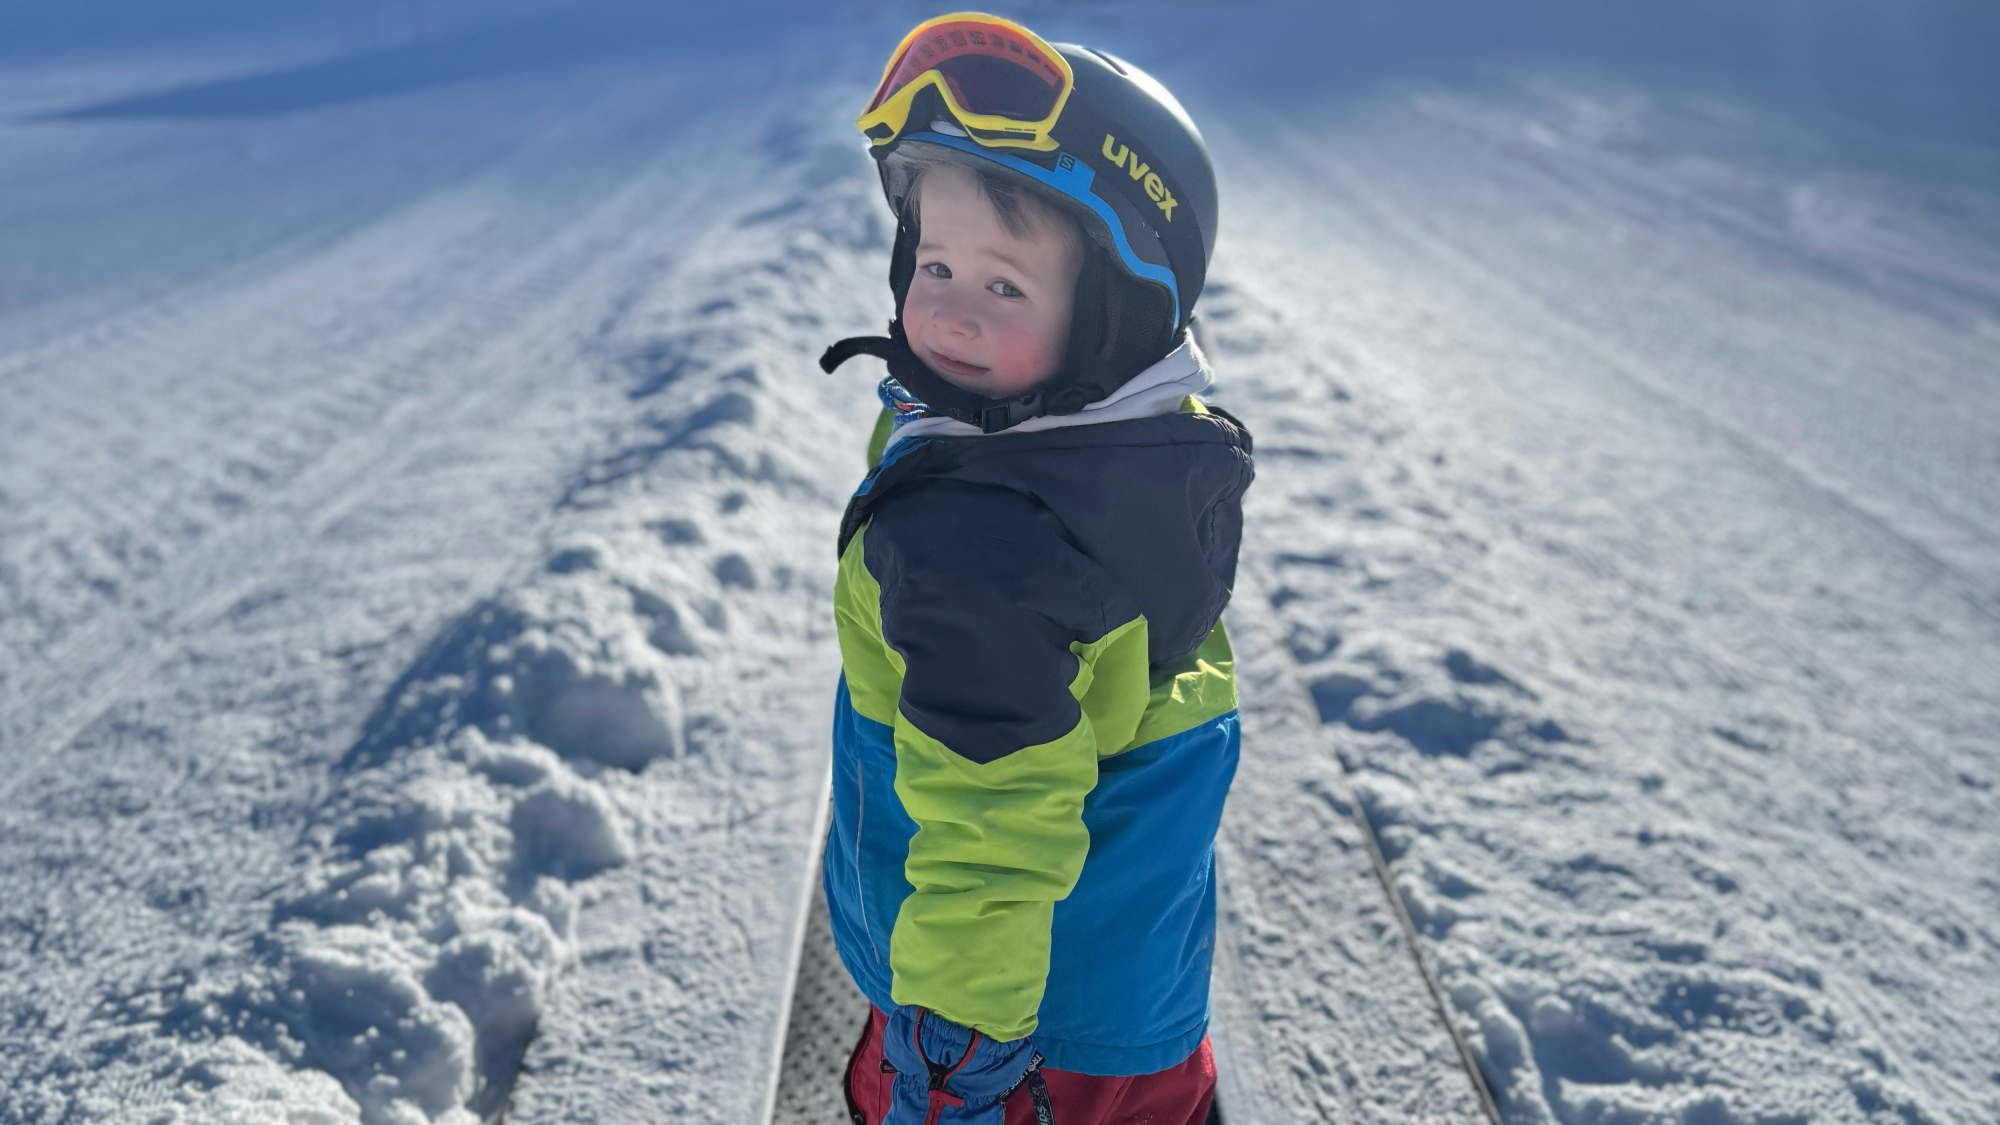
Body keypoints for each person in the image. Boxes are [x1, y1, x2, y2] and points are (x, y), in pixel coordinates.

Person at [817, 13, 1251, 1124]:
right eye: (934, 263)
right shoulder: (1139, 445)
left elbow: (989, 826)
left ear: (1112, 315)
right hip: (1126, 998)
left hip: (1007, 1030)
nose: (948, 310)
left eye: (1004, 287)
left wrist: (952, 1057)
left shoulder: (978, 547)